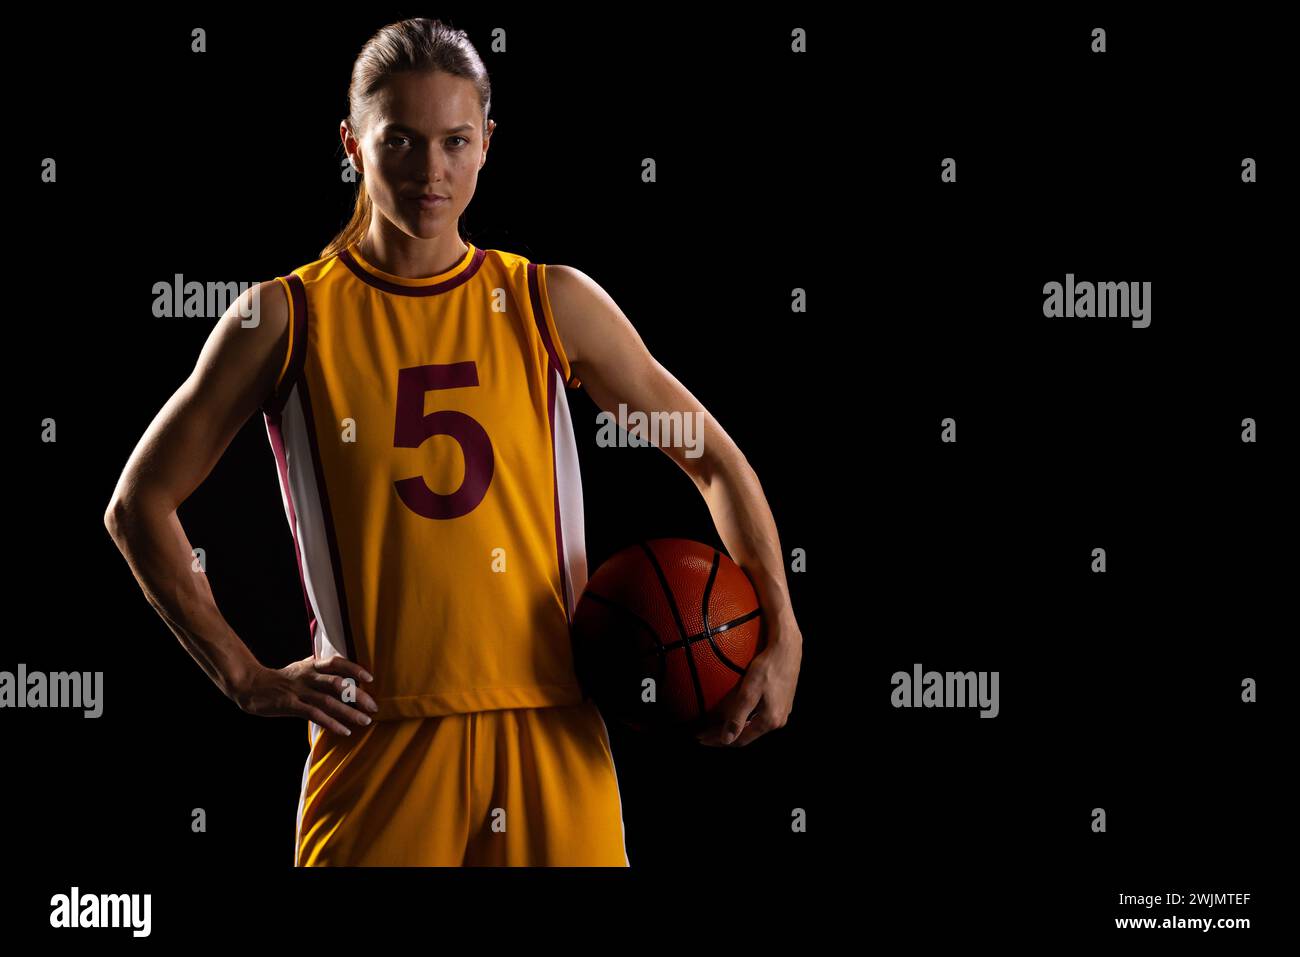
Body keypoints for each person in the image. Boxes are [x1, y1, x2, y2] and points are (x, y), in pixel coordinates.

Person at [104, 17, 802, 866]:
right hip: (378, 736)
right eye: (398, 139)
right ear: (351, 144)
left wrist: (783, 627)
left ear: (486, 144)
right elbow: (138, 504)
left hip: (549, 724)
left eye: (454, 141)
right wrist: (245, 676)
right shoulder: (286, 318)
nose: (429, 170)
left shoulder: (549, 301)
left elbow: (711, 458)